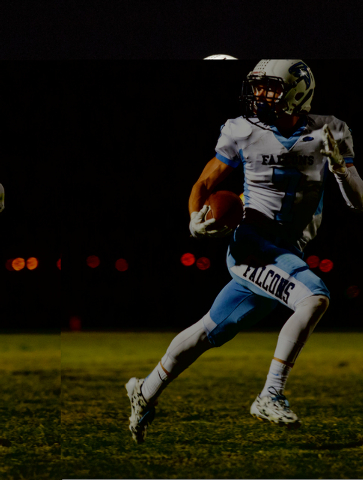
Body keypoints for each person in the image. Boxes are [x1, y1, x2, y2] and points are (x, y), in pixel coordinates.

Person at [125, 59, 363, 443]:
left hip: (288, 250)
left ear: (297, 92)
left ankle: (144, 391)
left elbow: (359, 201)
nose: (259, 95)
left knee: (210, 330)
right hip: (253, 244)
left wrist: (340, 169)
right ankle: (270, 393)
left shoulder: (330, 130)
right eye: (256, 86)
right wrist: (193, 218)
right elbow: (205, 181)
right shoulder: (241, 130)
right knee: (315, 298)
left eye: (269, 87)